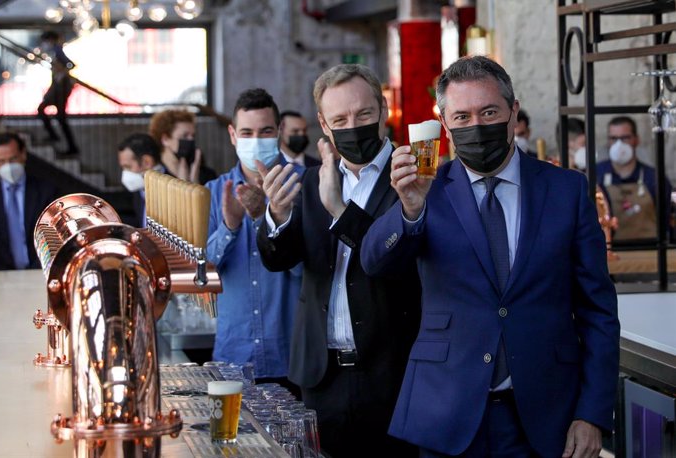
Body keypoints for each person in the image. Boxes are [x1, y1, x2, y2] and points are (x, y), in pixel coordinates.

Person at [360, 56, 620, 458]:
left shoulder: (567, 191)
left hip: (545, 415)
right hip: (445, 411)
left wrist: (593, 413)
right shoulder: (427, 189)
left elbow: (598, 310)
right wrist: (409, 210)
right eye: (461, 117)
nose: (476, 126)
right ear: (444, 126)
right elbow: (373, 263)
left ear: (513, 112)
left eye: (489, 112)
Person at [256, 64, 421, 458]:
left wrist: (339, 210)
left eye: (363, 115)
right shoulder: (312, 182)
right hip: (321, 374)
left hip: (392, 372)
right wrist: (277, 217)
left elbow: (393, 262)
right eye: (340, 119)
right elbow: (279, 258)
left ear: (383, 110)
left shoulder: (412, 178)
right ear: (323, 125)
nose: (353, 126)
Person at [204, 88, 303, 394]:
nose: (255, 139)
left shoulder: (304, 185)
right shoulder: (212, 192)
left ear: (279, 133)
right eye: (246, 132)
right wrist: (230, 226)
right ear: (232, 135)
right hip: (234, 355)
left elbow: (311, 270)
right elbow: (202, 274)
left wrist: (266, 218)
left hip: (293, 357)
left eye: (265, 131)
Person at [0, 132, 59, 270]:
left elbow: (54, 236)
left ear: (23, 155)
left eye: (13, 159)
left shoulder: (46, 191)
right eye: (2, 161)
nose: (8, 166)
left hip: (39, 271)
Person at [597, 115, 672, 242]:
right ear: (608, 142)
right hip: (610, 253)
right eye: (614, 138)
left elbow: (667, 219)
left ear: (636, 140)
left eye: (625, 138)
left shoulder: (654, 178)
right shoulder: (596, 174)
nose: (619, 144)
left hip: (650, 251)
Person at [148, 109, 217, 185]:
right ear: (165, 139)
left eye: (193, 135)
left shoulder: (206, 174)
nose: (191, 140)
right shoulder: (154, 176)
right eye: (184, 136)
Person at [37, 31, 79, 156]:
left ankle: (68, 145)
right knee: (59, 118)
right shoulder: (54, 51)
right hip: (57, 88)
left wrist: (63, 70)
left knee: (60, 118)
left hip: (61, 89)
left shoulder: (57, 50)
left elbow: (70, 64)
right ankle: (66, 143)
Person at [117, 133, 164, 228]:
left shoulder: (173, 189)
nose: (125, 173)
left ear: (147, 162)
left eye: (128, 167)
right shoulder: (139, 190)